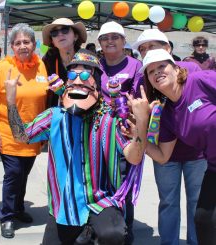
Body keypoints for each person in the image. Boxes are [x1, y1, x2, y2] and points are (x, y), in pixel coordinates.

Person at [4, 48, 149, 245]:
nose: (78, 80)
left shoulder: (109, 118)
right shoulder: (54, 117)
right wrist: (11, 100)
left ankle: (90, 233)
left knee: (113, 235)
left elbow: (133, 157)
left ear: (96, 83)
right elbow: (21, 136)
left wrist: (141, 123)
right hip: (64, 205)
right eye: (72, 74)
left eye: (85, 74)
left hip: (101, 201)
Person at [132, 29, 206, 245]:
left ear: (168, 49)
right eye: (143, 49)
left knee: (197, 202)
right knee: (168, 202)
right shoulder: (143, 80)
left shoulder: (192, 69)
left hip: (197, 153)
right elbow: (141, 115)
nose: (147, 52)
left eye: (152, 46)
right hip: (164, 153)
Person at [0, 23, 48, 239]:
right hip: (8, 133)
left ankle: (18, 208)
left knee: (24, 174)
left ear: (34, 44)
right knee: (14, 174)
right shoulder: (3, 68)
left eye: (26, 42)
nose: (22, 46)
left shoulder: (41, 67)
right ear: (11, 46)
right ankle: (7, 216)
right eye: (17, 43)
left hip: (33, 135)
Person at [97, 21, 144, 245]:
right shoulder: (96, 67)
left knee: (124, 183)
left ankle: (127, 228)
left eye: (115, 37)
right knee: (101, 181)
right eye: (105, 38)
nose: (110, 41)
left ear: (124, 41)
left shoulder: (136, 66)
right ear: (100, 44)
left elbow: (141, 99)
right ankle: (103, 226)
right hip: (98, 134)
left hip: (125, 134)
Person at [42, 17, 87, 106]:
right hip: (56, 113)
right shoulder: (47, 61)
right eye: (54, 33)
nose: (60, 34)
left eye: (65, 30)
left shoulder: (88, 59)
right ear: (53, 41)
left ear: (75, 36)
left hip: (84, 111)